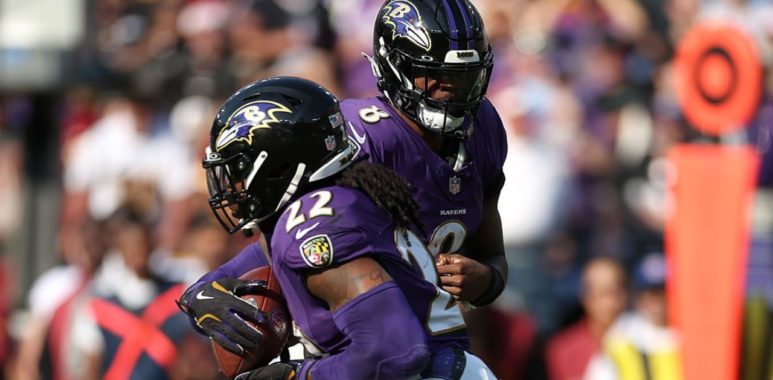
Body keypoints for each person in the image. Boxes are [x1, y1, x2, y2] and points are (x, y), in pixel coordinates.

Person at [177, 76, 496, 379]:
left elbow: (397, 351)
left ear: (278, 165)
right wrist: (200, 296)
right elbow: (253, 261)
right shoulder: (334, 203)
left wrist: (299, 375)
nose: (232, 184)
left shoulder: (316, 226)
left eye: (238, 167)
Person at [545, 257, 628, 380]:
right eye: (602, 294)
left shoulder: (645, 341)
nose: (609, 303)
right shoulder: (564, 350)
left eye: (615, 292)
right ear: (585, 297)